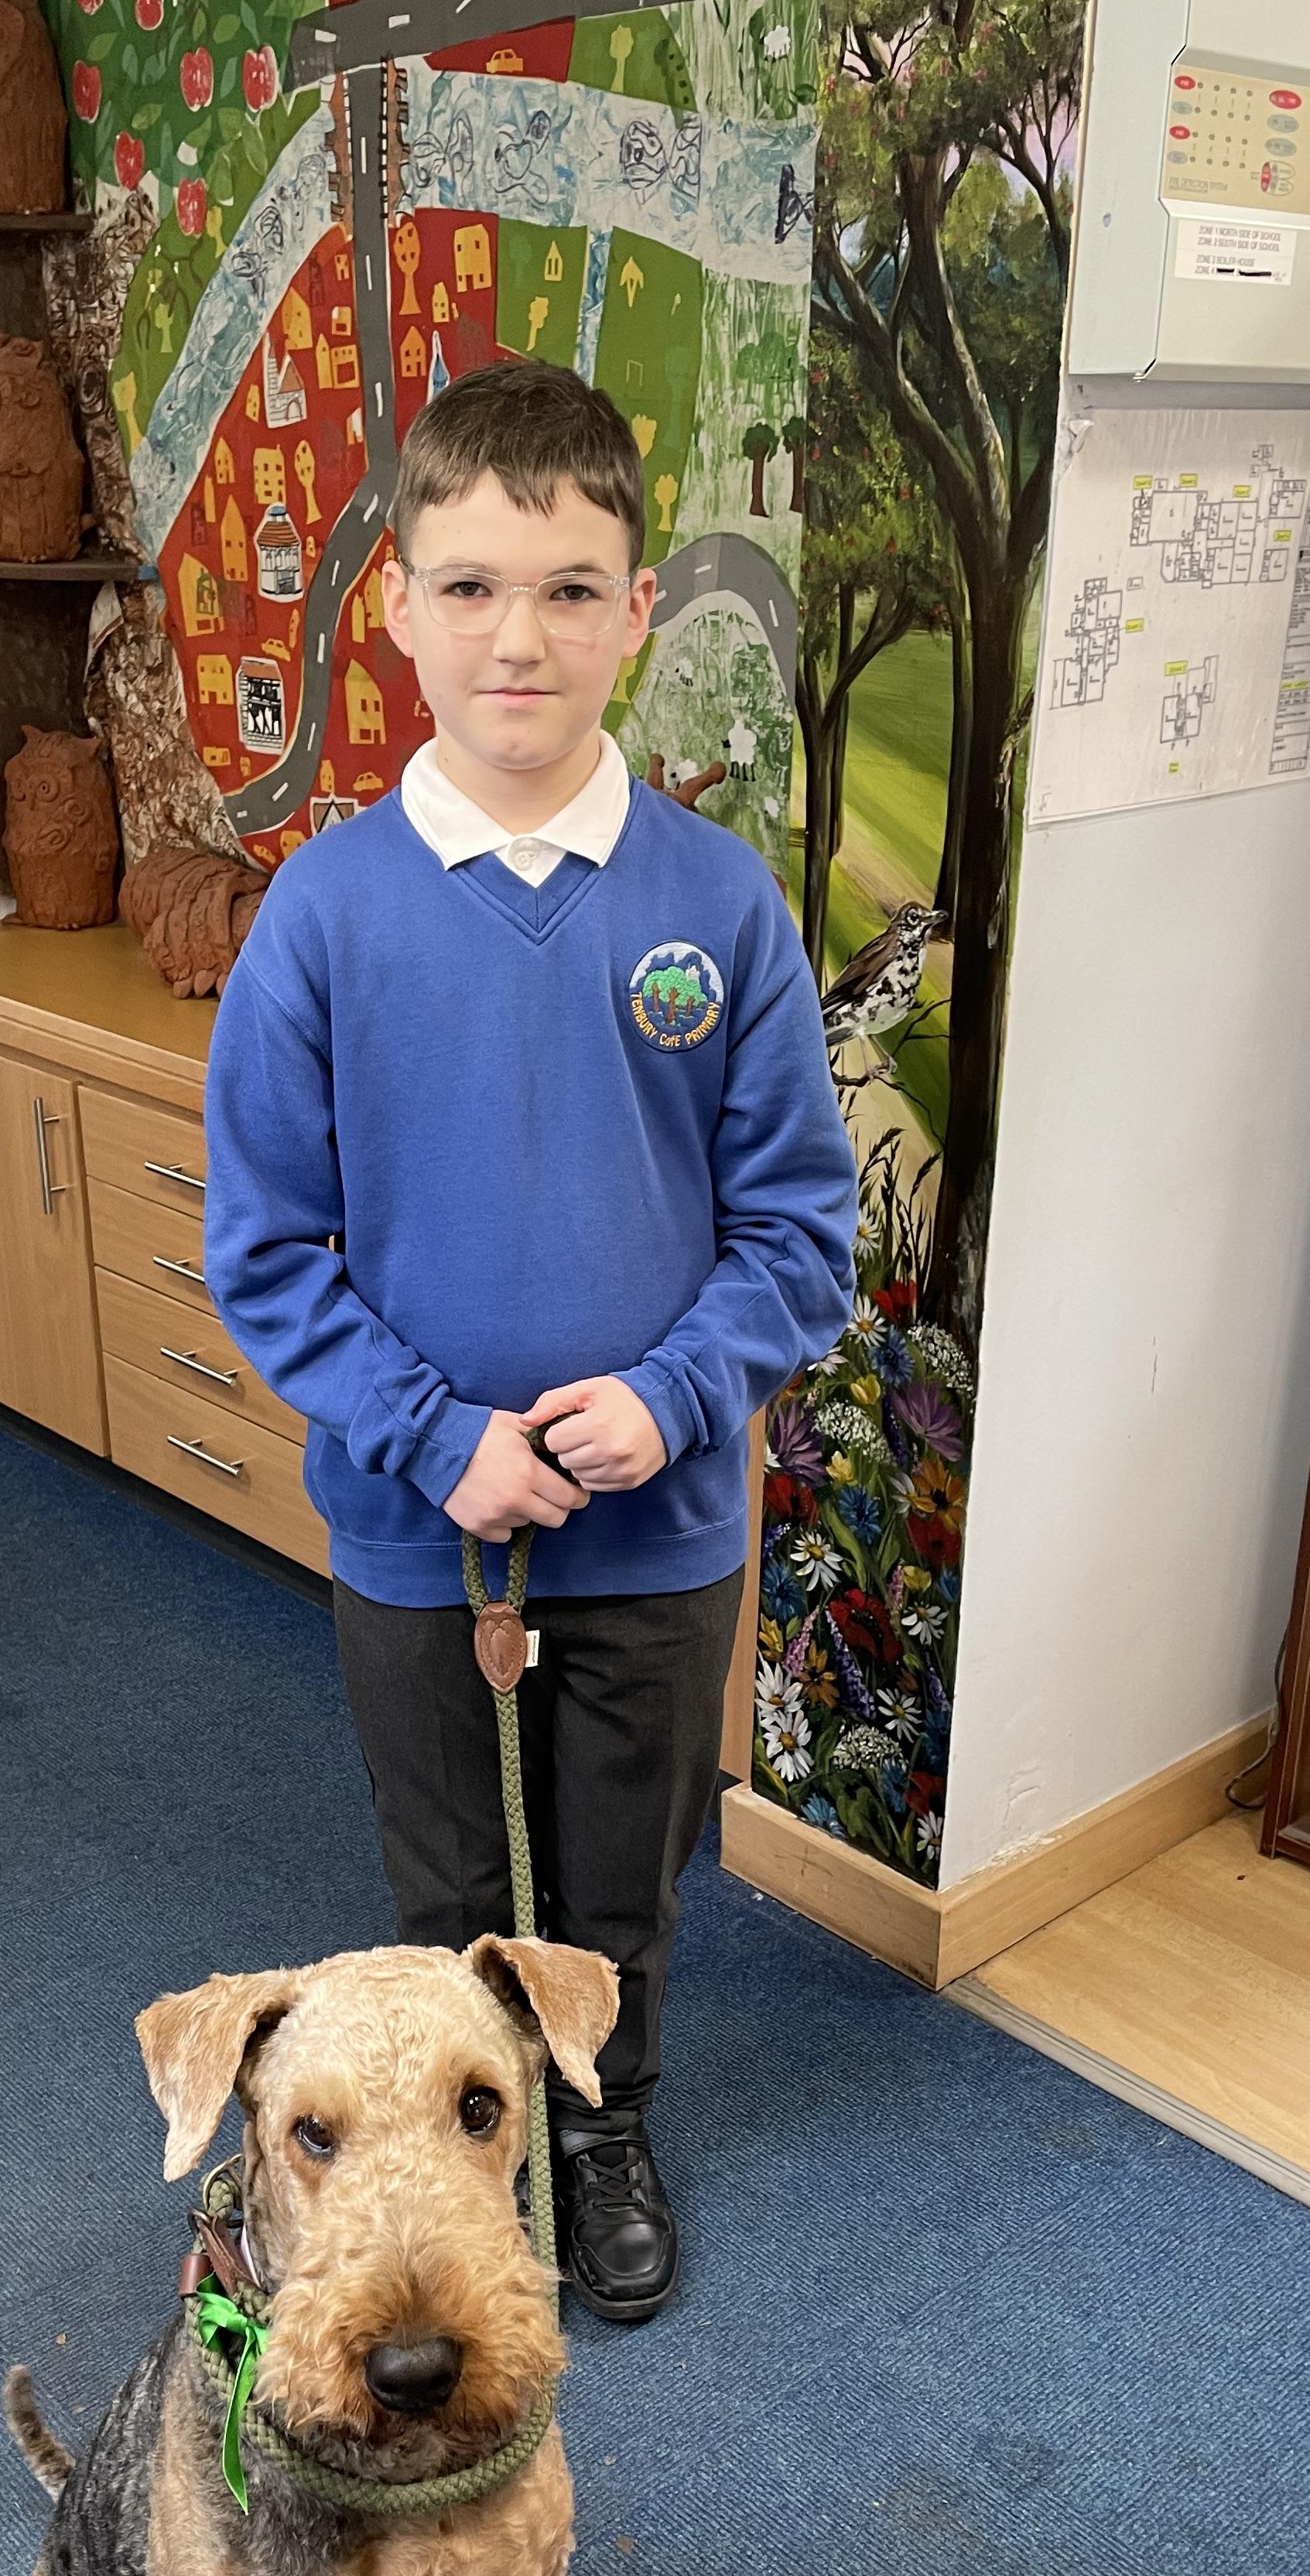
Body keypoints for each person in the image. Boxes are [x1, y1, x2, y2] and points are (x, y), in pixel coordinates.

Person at [202, 365, 857, 2325]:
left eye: (574, 590)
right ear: (396, 602)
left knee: (622, 1885)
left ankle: (602, 2125)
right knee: (450, 1891)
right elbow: (266, 1251)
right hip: (425, 1536)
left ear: (639, 611)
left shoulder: (716, 906)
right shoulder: (320, 919)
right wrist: (429, 1436)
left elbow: (800, 1232)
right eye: (474, 586)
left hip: (659, 1537)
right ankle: (443, 2171)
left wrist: (669, 1402)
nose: (521, 637)